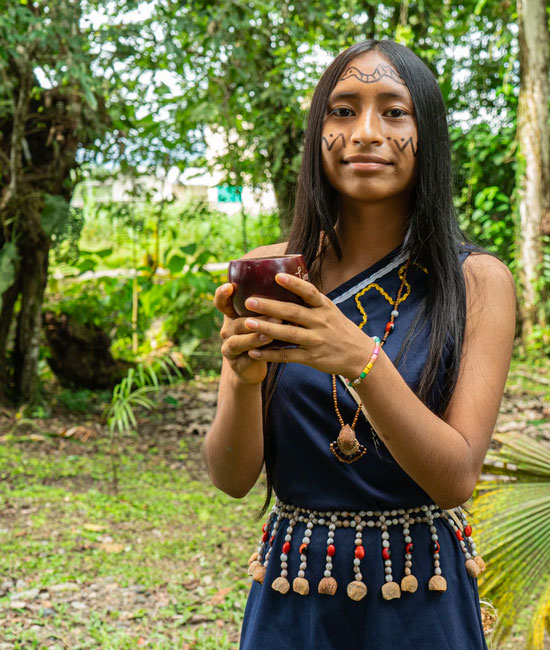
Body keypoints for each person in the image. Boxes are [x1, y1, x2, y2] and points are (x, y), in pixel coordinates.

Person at [203, 39, 516, 649]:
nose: (366, 132)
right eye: (342, 110)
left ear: (426, 133)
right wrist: (241, 381)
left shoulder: (477, 281)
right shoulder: (273, 273)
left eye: (394, 111)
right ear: (318, 134)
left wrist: (357, 358)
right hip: (295, 594)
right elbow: (232, 477)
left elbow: (455, 478)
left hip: (421, 597)